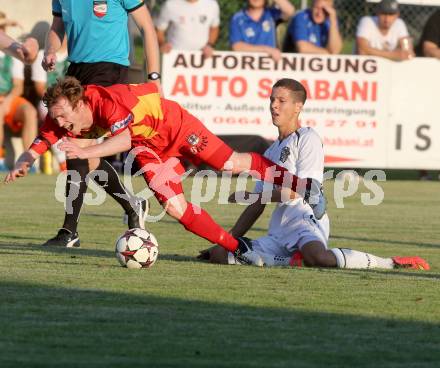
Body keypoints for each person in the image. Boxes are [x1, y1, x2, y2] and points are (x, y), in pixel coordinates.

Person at [6, 76, 325, 263]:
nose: (61, 123)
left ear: (80, 104)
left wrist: (87, 148)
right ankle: (238, 249)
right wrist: (27, 159)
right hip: (148, 149)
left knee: (230, 163)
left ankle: (304, 187)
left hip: (176, 125)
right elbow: (46, 134)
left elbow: (123, 138)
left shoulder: (104, 102)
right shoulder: (61, 114)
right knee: (174, 207)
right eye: (57, 117)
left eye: (64, 116)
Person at [197, 78, 429, 271]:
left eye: (281, 101)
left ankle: (390, 263)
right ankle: (289, 261)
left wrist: (252, 196)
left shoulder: (307, 139)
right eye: (272, 100)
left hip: (305, 220)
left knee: (318, 258)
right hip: (279, 230)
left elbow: (302, 191)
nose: (274, 106)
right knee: (219, 255)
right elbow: (256, 206)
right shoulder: (269, 152)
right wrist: (225, 240)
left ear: (298, 107)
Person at [39, 0, 162, 247]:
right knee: (82, 154)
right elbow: (57, 27)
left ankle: (69, 231)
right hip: (77, 70)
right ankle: (132, 205)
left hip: (110, 69)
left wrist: (155, 78)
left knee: (76, 148)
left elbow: (147, 27)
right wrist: (50, 50)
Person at [0, 13, 38, 172]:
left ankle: (27, 161)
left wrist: (6, 102)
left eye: (2, 27)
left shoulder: (12, 52)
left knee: (30, 111)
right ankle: (1, 160)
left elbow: (18, 86)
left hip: (9, 97)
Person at [229, 0, 295, 62]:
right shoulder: (238, 18)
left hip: (270, 64)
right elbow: (237, 47)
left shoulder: (271, 14)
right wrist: (267, 50)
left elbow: (290, 11)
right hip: (246, 65)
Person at [155, 0, 220, 58]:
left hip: (201, 56)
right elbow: (159, 30)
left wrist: (209, 45)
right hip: (174, 56)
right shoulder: (170, 4)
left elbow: (214, 28)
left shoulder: (212, 4)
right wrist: (162, 44)